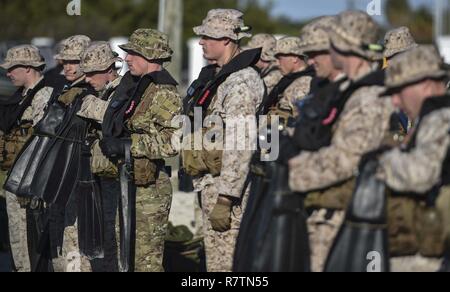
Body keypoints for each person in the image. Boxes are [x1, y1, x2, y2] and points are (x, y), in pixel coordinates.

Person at [288, 11, 394, 272]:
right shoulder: (345, 91)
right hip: (325, 213)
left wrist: (290, 171)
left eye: (329, 45)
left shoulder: (370, 96)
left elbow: (347, 159)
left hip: (346, 220)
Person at [182, 8, 265, 272]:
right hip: (210, 184)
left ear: (227, 40)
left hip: (226, 191)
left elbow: (241, 143)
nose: (201, 42)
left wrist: (226, 198)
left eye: (208, 37)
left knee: (226, 266)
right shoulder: (219, 77)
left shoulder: (240, 82)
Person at [100, 28, 181, 272]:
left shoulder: (165, 93)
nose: (126, 59)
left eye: (134, 54)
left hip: (149, 190)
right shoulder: (135, 86)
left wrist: (128, 145)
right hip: (125, 180)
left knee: (145, 261)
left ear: (150, 56)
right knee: (125, 257)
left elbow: (173, 142)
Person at [376, 45, 450, 272]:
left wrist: (378, 160)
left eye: (399, 92)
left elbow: (420, 175)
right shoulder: (429, 119)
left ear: (426, 84)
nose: (396, 102)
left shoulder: (442, 119)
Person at [0, 45, 56, 272]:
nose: (8, 73)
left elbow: (41, 140)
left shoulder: (43, 95)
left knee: (30, 239)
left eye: (12, 68)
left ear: (28, 68)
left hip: (28, 181)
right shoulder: (20, 97)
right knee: (17, 238)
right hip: (14, 176)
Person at [77, 41, 122, 272]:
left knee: (114, 241)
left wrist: (84, 104)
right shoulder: (103, 90)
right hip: (101, 177)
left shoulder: (123, 88)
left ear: (108, 70)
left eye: (91, 73)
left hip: (118, 180)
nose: (87, 79)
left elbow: (115, 118)